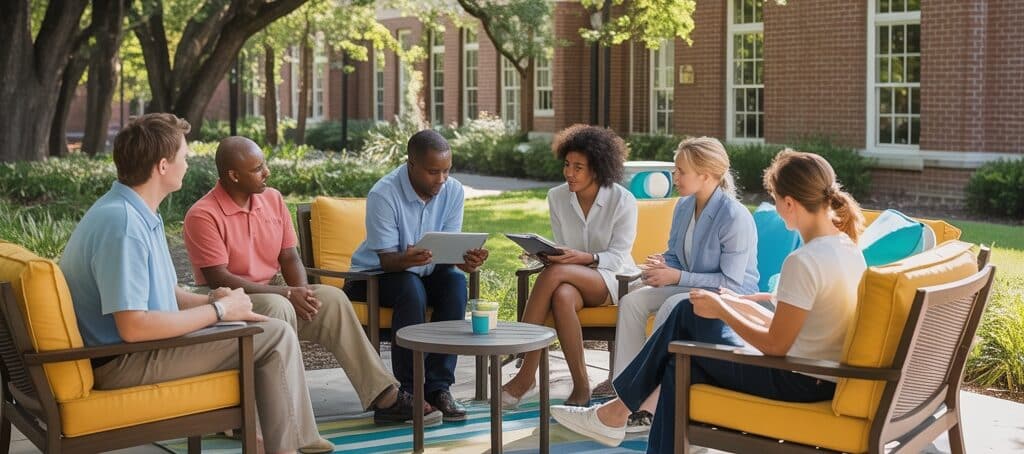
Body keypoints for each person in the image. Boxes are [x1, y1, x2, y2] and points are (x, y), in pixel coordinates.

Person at [551, 149, 867, 453]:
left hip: (797, 380)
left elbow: (775, 346)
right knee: (678, 364)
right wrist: (743, 304)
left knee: (688, 310)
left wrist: (722, 309)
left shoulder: (804, 260)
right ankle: (618, 415)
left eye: (773, 198)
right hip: (817, 376)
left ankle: (615, 413)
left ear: (788, 203)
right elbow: (801, 331)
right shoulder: (846, 248)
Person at [59, 114, 333, 454]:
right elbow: (133, 327)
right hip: (123, 361)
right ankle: (290, 446)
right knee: (273, 334)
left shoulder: (138, 212)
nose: (187, 164)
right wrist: (219, 311)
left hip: (136, 350)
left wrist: (213, 301)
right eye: (183, 157)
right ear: (162, 166)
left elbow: (166, 293)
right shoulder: (124, 226)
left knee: (264, 326)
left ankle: (277, 440)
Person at [182, 136, 441, 426]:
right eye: (258, 168)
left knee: (331, 299)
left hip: (271, 295)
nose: (267, 172)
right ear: (233, 175)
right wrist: (287, 293)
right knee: (277, 305)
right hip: (227, 301)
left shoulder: (272, 199)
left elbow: (290, 257)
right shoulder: (203, 215)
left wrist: (302, 292)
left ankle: (385, 396)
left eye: (264, 164)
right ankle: (281, 410)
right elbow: (220, 276)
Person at [599, 137, 759, 431]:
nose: (675, 177)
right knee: (633, 300)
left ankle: (653, 405)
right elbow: (676, 254)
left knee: (674, 303)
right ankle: (625, 395)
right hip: (691, 286)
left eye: (681, 171)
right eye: (676, 170)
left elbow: (731, 282)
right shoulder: (684, 206)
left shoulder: (734, 216)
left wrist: (677, 277)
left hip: (728, 296)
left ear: (706, 175)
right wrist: (664, 264)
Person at [343, 129, 489, 422]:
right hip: (373, 277)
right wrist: (408, 259)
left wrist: (464, 261)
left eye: (447, 170)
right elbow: (387, 261)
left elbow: (446, 251)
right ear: (411, 164)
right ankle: (408, 392)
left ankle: (438, 387)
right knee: (410, 287)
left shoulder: (453, 191)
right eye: (433, 172)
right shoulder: (384, 194)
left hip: (424, 271)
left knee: (455, 284)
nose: (441, 179)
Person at [501, 124, 637, 408]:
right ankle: (581, 384)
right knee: (562, 295)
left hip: (613, 277)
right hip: (571, 278)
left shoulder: (622, 201)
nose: (569, 173)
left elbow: (618, 256)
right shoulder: (557, 197)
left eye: (578, 167)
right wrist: (546, 255)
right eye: (567, 165)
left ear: (597, 169)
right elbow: (564, 247)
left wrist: (580, 259)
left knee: (557, 274)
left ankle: (525, 372)